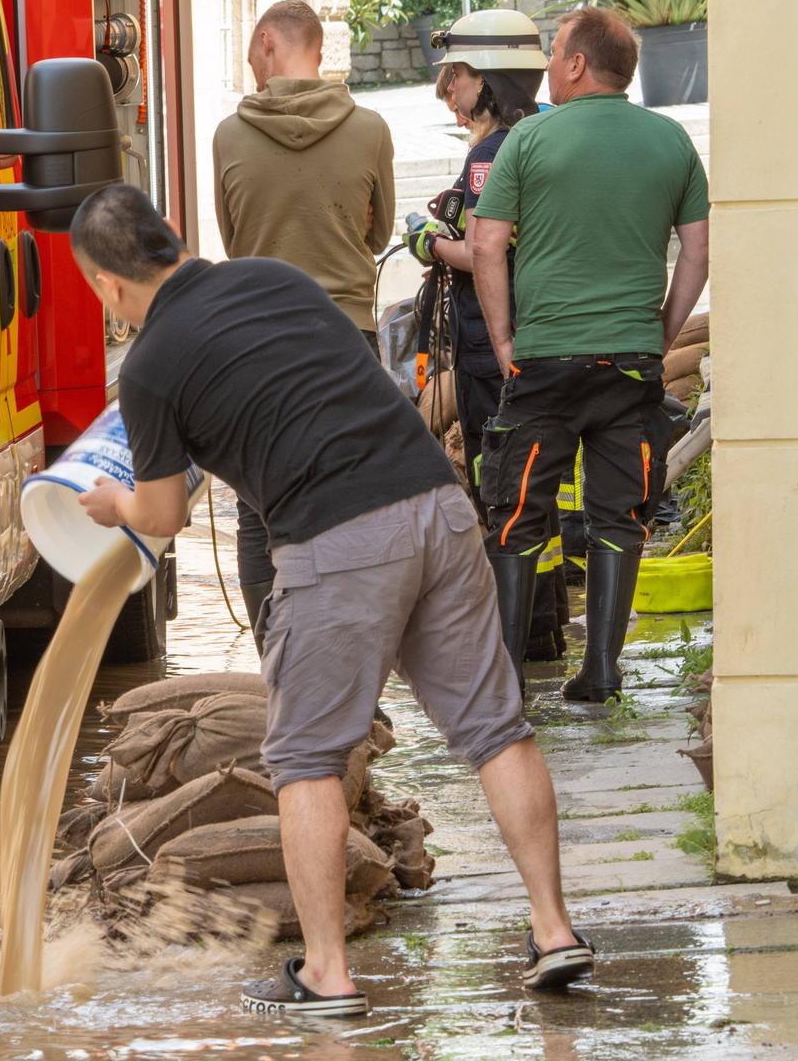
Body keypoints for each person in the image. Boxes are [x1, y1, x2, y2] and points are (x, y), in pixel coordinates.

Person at [69, 185, 593, 1016]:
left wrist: (112, 506)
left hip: (337, 540)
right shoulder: (276, 278)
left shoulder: (149, 368)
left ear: (108, 284)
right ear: (172, 241)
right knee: (497, 730)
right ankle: (555, 930)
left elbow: (162, 515)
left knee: (307, 760)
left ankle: (326, 974)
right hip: (436, 503)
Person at [469, 7, 711, 703]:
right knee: (619, 513)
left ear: (576, 64)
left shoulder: (530, 139)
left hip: (543, 358)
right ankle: (601, 669)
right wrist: (662, 334)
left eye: (554, 55)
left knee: (517, 512)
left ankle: (507, 678)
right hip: (630, 359)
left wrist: (506, 339)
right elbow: (696, 251)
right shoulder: (670, 140)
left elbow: (487, 244)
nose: (547, 66)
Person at [211, 0, 397, 643]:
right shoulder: (369, 128)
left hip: (259, 342)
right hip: (347, 339)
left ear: (266, 42)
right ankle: (346, 661)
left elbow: (236, 243)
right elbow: (377, 236)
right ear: (315, 50)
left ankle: (278, 667)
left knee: (260, 512)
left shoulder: (230, 135)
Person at [403, 9, 566, 673]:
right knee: (540, 484)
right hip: (546, 332)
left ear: (492, 77)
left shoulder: (490, 153)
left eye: (459, 76)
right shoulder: (548, 135)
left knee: (499, 484)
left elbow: (483, 252)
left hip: (488, 344)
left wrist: (426, 239)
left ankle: (517, 645)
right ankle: (549, 627)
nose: (447, 90)